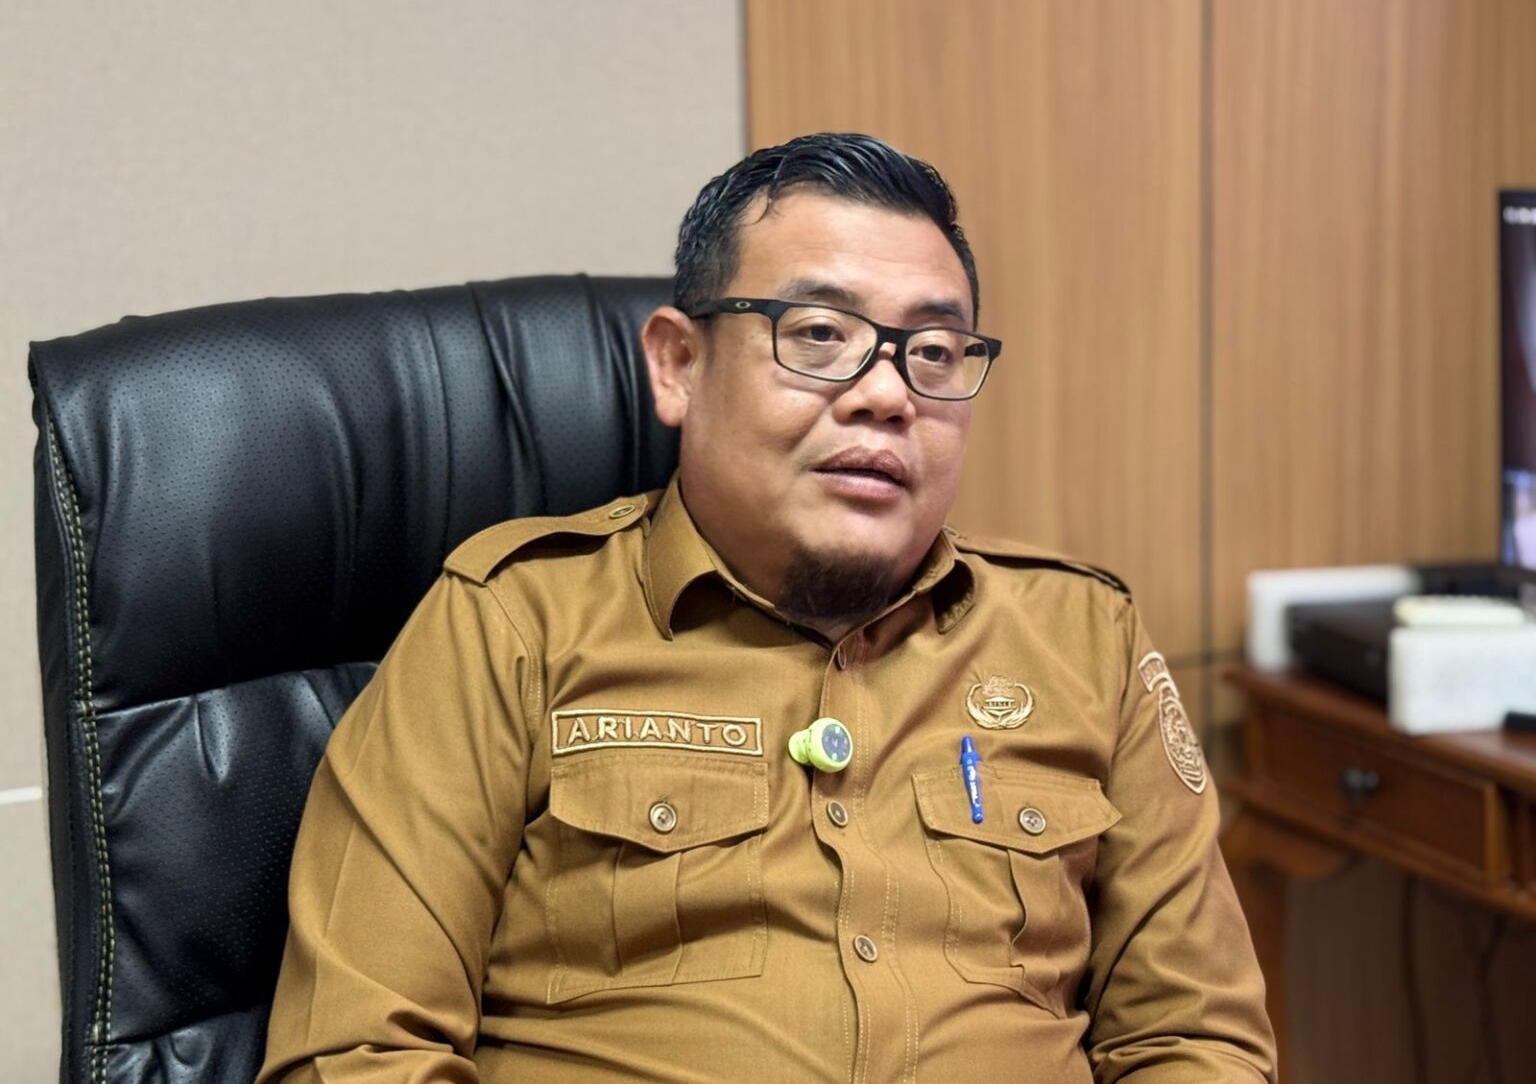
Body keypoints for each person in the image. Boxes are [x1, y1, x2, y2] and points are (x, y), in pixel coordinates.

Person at [257, 133, 1277, 1083]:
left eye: (933, 352)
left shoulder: (1082, 636)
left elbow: (1193, 1037)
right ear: (678, 365)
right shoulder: (515, 622)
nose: (888, 395)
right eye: (821, 335)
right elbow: (356, 1052)